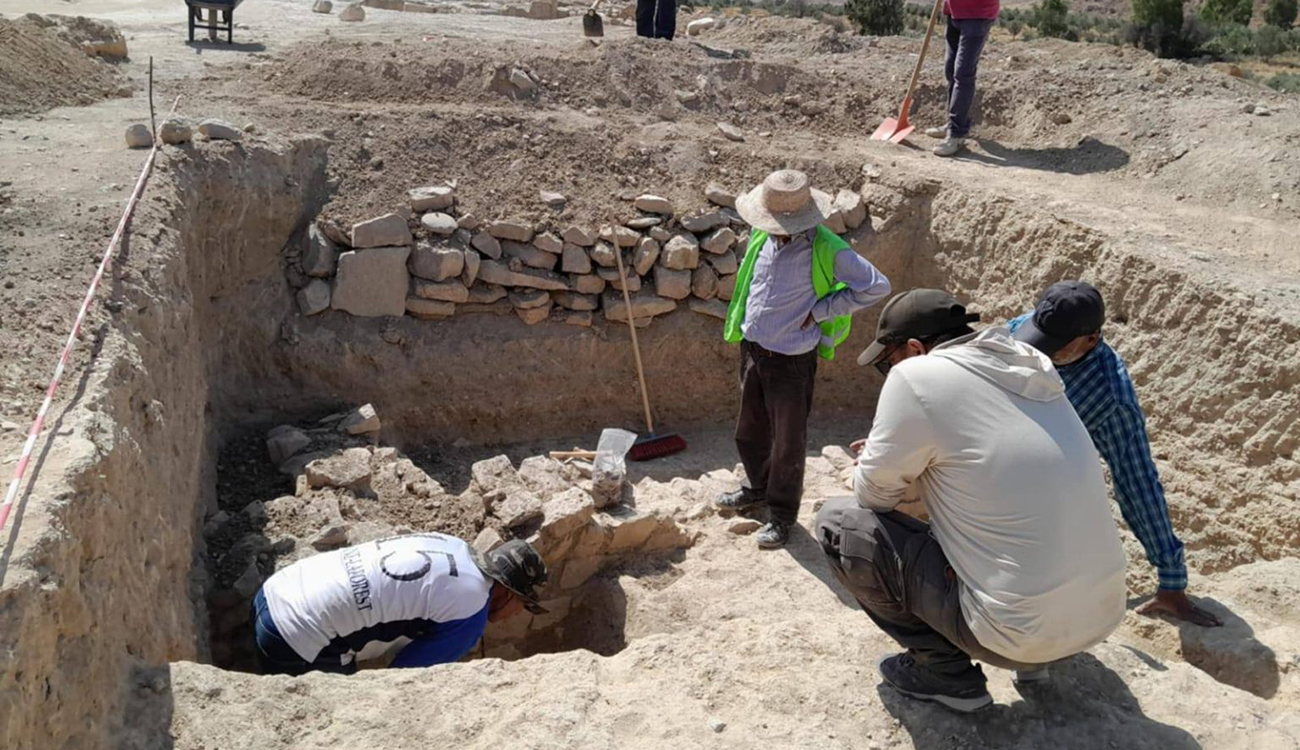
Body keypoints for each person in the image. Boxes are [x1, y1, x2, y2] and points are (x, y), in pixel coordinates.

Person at [815, 289, 1127, 712]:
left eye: (887, 363)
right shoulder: (1029, 366)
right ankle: (1038, 660)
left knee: (840, 522)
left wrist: (887, 460)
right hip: (1097, 619)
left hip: (1014, 636)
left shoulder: (917, 376)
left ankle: (945, 674)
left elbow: (873, 495)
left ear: (914, 349)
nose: (889, 374)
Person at [1009, 281, 1222, 627]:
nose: (1040, 352)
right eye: (1038, 339)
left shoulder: (1109, 397)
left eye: (1053, 346)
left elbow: (1137, 483)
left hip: (1031, 487)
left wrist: (1172, 580)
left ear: (1091, 340)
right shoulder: (1031, 329)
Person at [716, 169, 892, 549]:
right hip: (754, 349)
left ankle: (781, 515)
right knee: (750, 429)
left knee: (788, 442)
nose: (773, 229)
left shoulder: (826, 248)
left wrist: (824, 309)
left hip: (792, 360)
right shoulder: (762, 237)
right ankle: (756, 487)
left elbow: (876, 286)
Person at [251, 535, 547, 675]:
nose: (515, 616)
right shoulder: (470, 612)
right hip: (295, 637)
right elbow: (402, 680)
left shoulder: (453, 545)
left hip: (275, 590)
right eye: (524, 606)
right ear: (509, 593)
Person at [924, 0, 998, 157]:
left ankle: (957, 133)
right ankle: (953, 124)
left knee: (963, 73)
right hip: (954, 12)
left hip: (977, 15)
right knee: (951, 70)